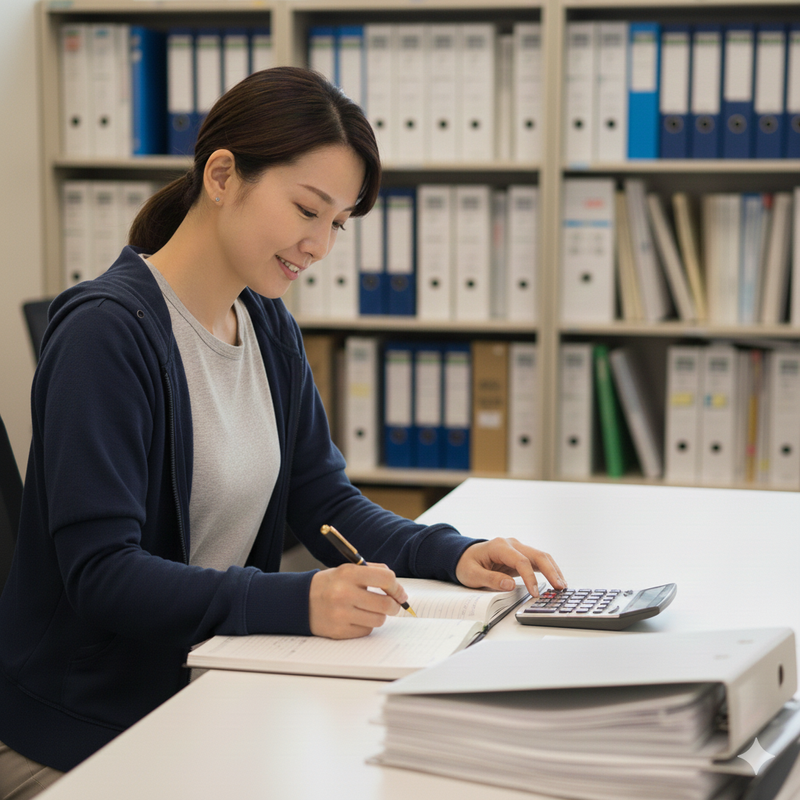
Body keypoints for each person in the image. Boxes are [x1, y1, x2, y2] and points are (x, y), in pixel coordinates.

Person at [0, 66, 566, 796]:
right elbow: (102, 575)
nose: (320, 245)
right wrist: (297, 601)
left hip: (203, 697)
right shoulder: (105, 335)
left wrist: (453, 554)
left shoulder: (266, 323)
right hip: (84, 739)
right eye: (307, 209)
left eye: (337, 223)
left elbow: (322, 499)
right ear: (223, 174)